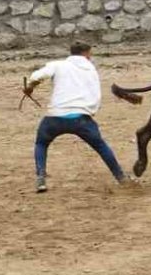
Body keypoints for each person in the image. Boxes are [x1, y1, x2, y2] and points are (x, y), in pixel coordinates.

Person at [24, 42, 134, 192]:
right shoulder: (91, 69)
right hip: (82, 118)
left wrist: (30, 86)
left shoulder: (58, 65)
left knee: (41, 143)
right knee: (101, 146)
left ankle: (41, 178)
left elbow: (38, 76)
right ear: (87, 54)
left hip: (55, 116)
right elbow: (95, 95)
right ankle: (121, 177)